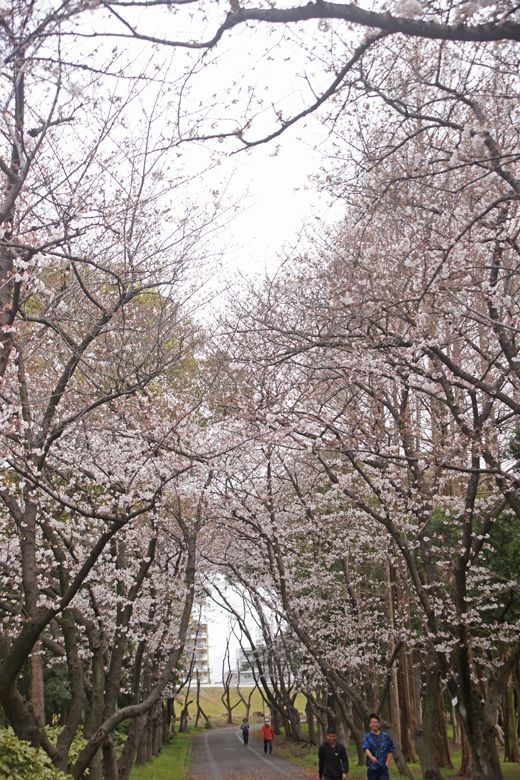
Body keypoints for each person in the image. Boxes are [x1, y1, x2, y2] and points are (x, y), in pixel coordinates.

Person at [362, 713, 395, 780]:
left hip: (383, 768)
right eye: (373, 722)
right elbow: (366, 748)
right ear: (369, 724)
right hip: (372, 768)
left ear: (379, 724)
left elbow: (390, 749)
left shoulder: (385, 736)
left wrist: (387, 762)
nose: (375, 724)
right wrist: (371, 757)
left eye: (376, 722)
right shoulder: (367, 736)